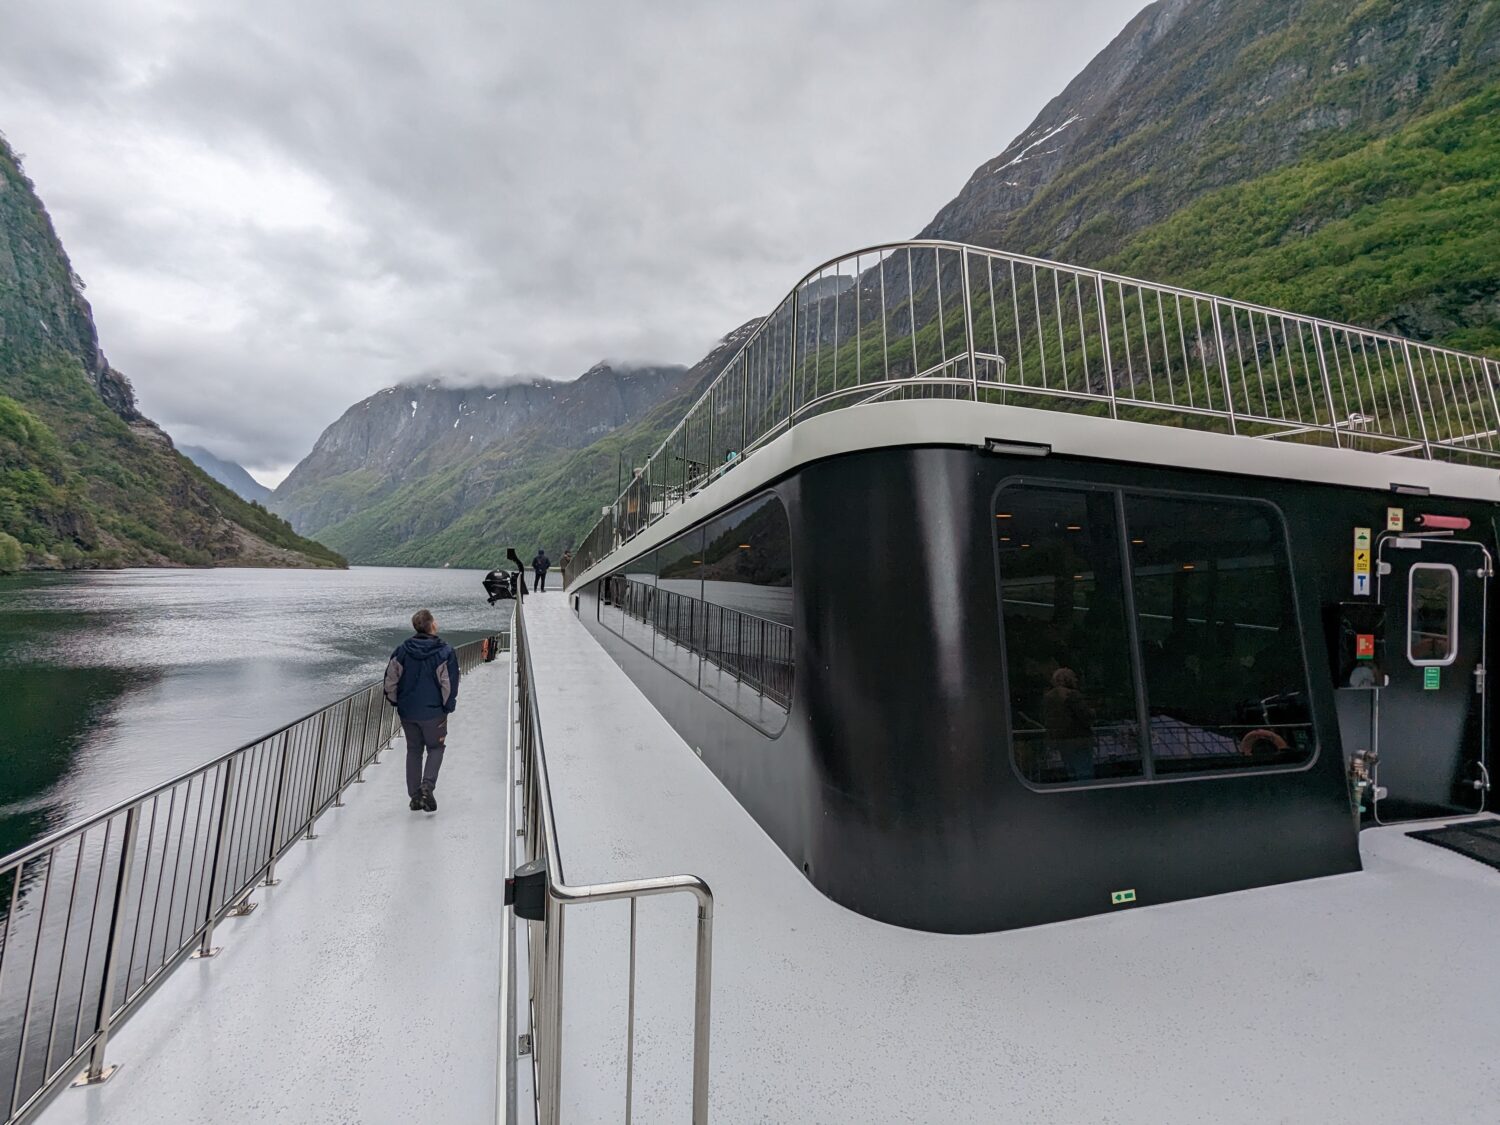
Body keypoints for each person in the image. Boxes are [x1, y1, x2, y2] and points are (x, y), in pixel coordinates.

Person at [383, 608, 460, 813]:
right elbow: (448, 685)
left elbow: (390, 681)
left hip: (408, 712)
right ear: (432, 625)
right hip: (434, 712)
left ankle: (415, 797)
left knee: (413, 750)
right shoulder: (445, 652)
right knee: (436, 748)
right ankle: (427, 787)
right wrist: (447, 706)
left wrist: (395, 702)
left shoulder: (402, 650)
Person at [1042, 666, 1095, 782]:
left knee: (1070, 772)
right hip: (1079, 740)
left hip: (1061, 741)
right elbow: (1086, 715)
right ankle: (1086, 797)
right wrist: (1093, 712)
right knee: (1084, 773)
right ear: (1068, 679)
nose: (1076, 680)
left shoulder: (1048, 697)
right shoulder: (1072, 695)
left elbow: (1048, 720)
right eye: (1074, 678)